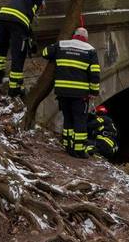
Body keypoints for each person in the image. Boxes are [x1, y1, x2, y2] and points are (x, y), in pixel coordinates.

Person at [0, 0, 71, 97]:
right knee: (19, 54)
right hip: (17, 21)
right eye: (41, 5)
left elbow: (26, 25)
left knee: (1, 47)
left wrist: (31, 39)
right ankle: (14, 88)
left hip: (3, 17)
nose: (40, 8)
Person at [40, 27, 101, 157]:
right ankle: (79, 149)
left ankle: (68, 145)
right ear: (86, 38)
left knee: (68, 118)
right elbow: (95, 73)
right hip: (80, 94)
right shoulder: (90, 50)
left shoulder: (62, 44)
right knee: (80, 120)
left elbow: (45, 52)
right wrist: (94, 92)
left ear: (74, 35)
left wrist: (54, 46)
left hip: (62, 92)